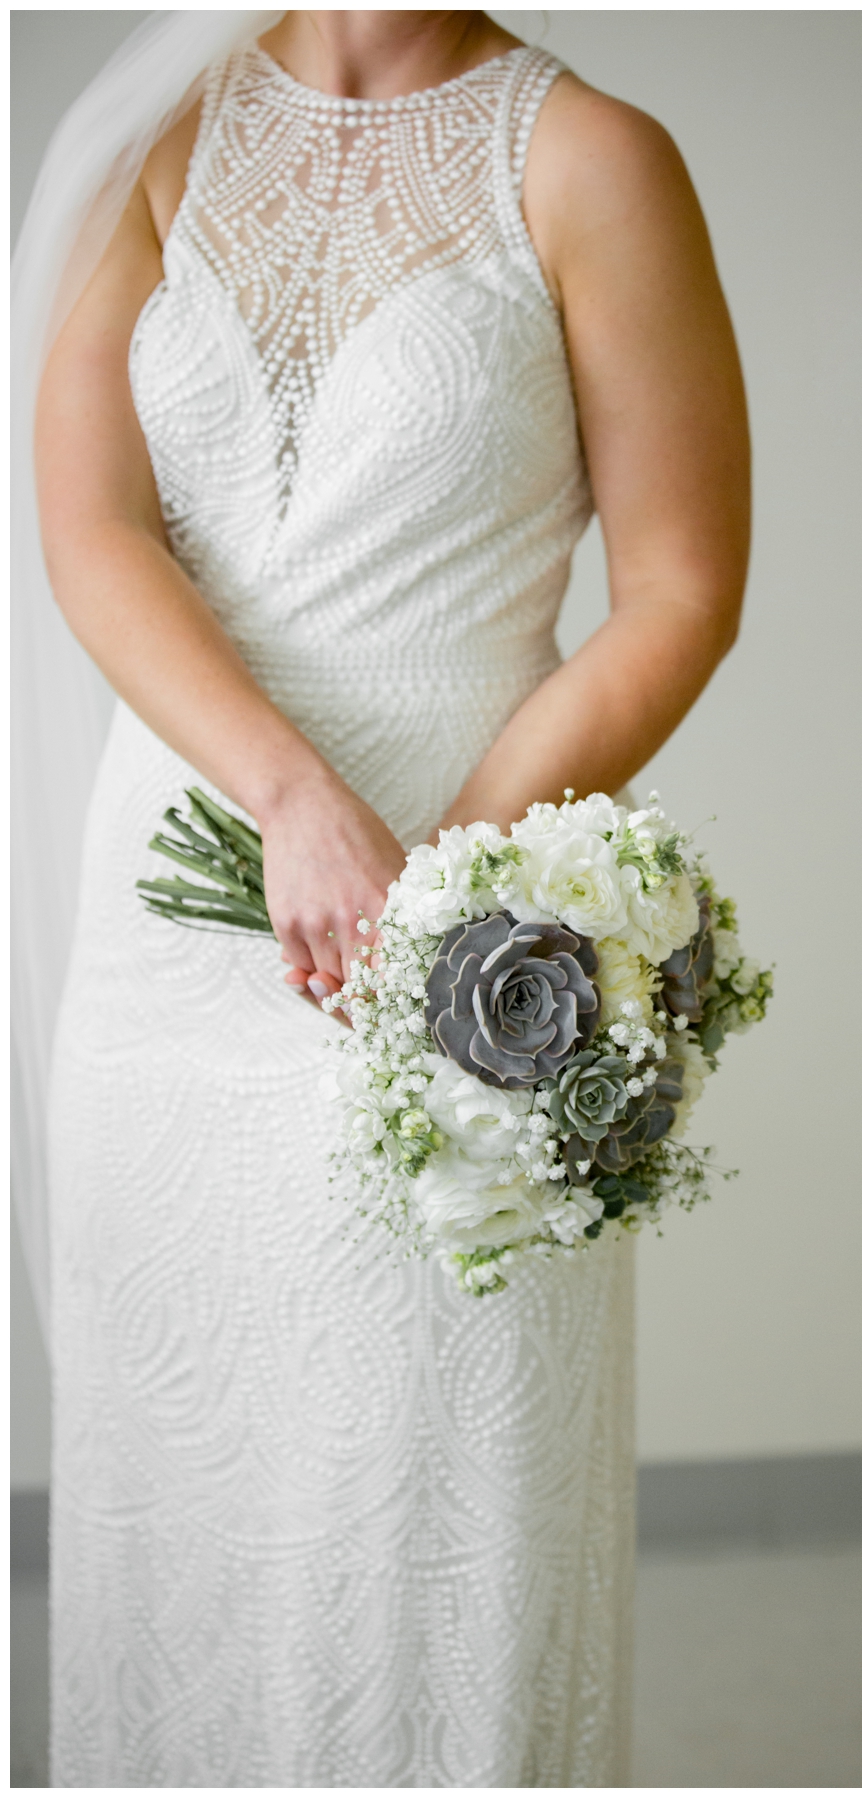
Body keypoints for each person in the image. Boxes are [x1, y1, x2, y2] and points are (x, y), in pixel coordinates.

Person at [26, 10, 747, 1782]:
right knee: (175, 1492)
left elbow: (679, 585)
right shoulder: (157, 142)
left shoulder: (594, 159)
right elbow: (91, 523)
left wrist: (458, 886)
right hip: (169, 943)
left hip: (460, 951)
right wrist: (286, 792)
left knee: (429, 1516)